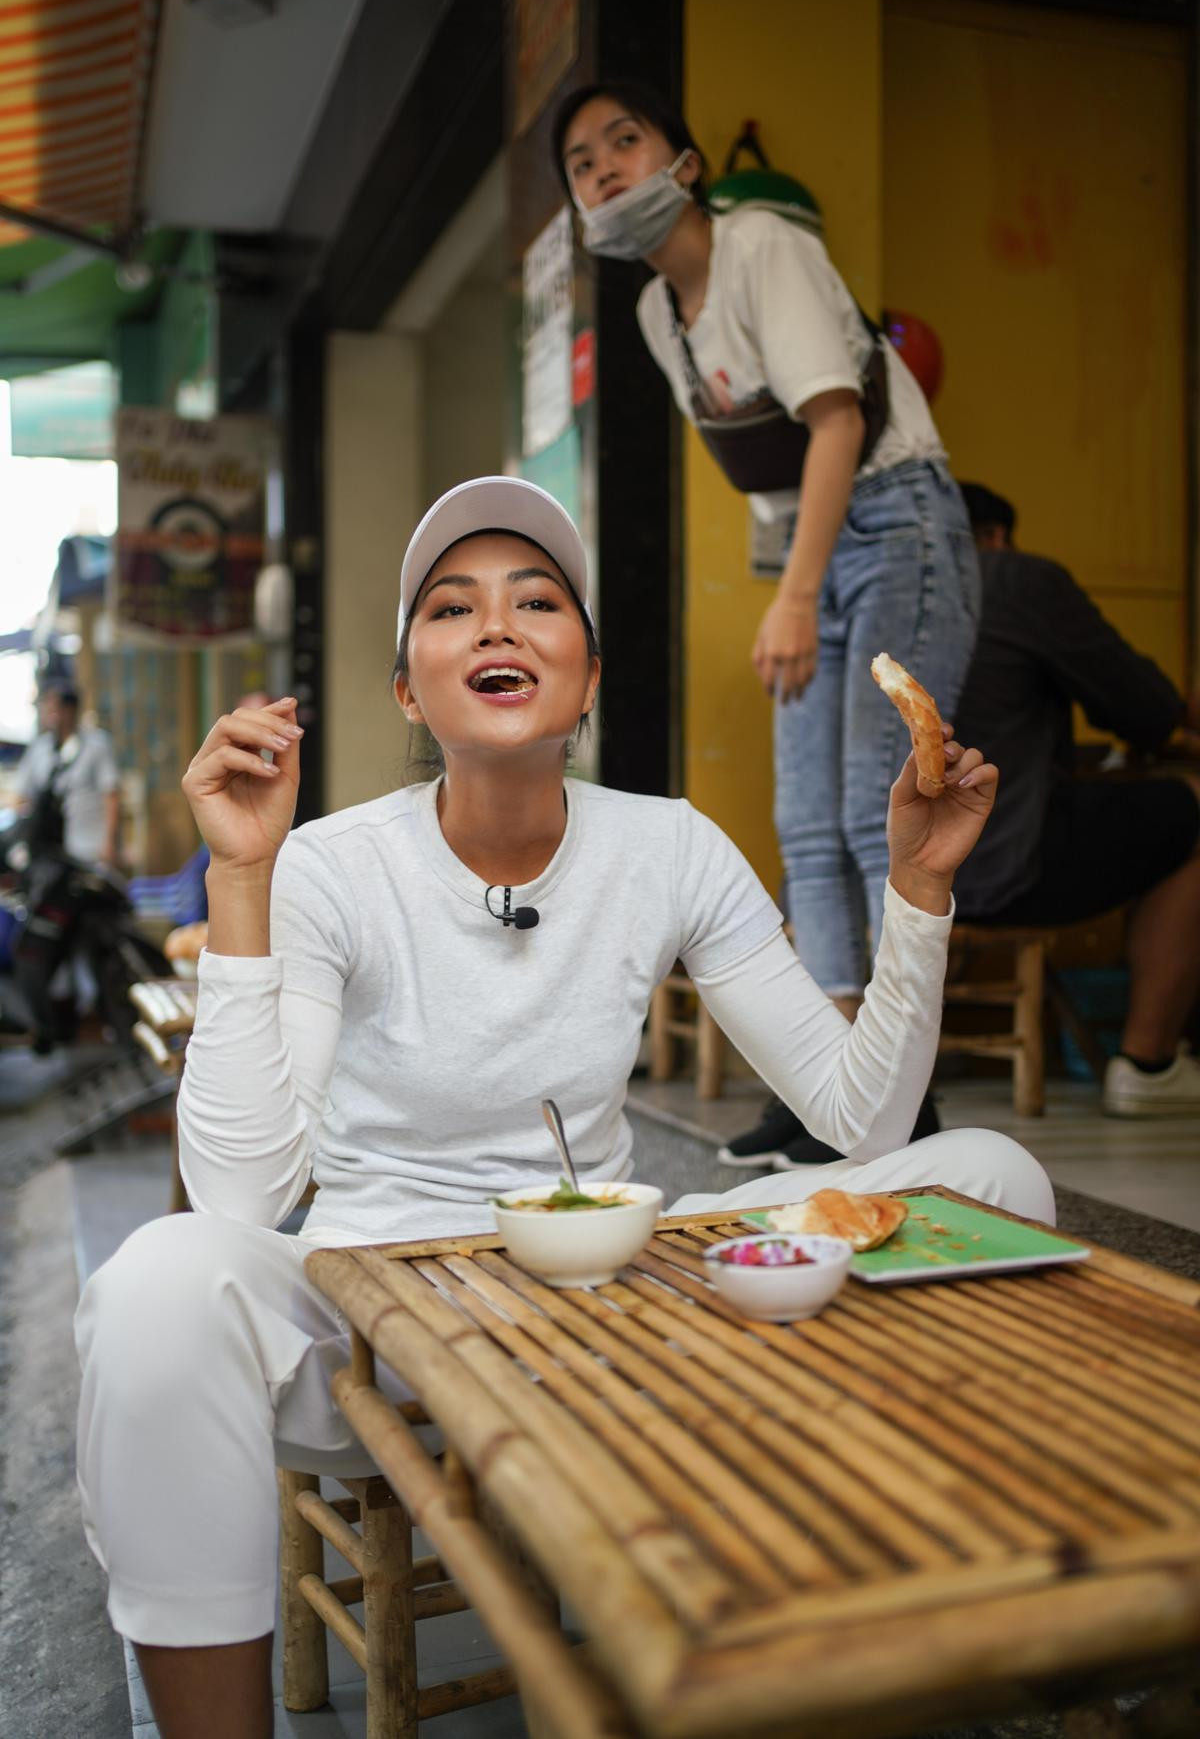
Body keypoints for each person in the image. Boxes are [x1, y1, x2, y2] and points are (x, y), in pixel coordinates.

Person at [75, 477, 1050, 1736]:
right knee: (161, 1282)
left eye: (537, 601)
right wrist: (244, 875)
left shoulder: (672, 846)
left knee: (990, 1177)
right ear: (406, 687)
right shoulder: (326, 862)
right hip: (373, 1327)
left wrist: (918, 891)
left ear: (586, 681)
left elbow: (865, 1123)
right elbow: (244, 1195)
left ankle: (930, 1616)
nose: (496, 626)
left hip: (617, 1304)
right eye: (452, 607)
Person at [552, 83, 980, 1166]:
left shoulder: (764, 247)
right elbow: (767, 478)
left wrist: (795, 595)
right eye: (581, 162)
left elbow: (835, 419)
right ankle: (831, 1079)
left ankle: (902, 1091)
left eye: (624, 142)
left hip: (899, 518)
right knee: (802, 819)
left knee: (872, 804)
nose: (604, 169)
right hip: (818, 547)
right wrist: (791, 582)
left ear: (683, 164)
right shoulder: (657, 314)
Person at [953, 483, 1200, 1117]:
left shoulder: (875, 593)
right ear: (997, 536)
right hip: (998, 869)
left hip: (882, 874)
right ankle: (1148, 1063)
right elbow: (1139, 703)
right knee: (1190, 811)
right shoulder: (1012, 578)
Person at [14, 678, 122, 868]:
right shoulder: (40, 748)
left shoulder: (96, 745)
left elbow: (111, 794)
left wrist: (110, 841)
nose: (50, 714)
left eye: (55, 707)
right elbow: (22, 795)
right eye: (47, 707)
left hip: (88, 844)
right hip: (48, 847)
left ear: (71, 710)